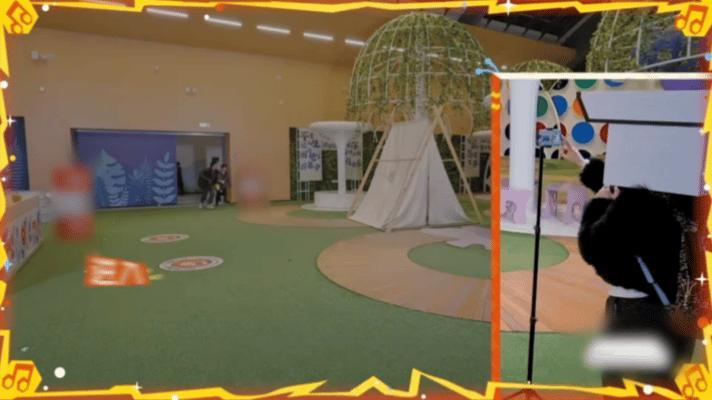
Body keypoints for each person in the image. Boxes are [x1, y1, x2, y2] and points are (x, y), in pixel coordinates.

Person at [563, 139, 701, 389]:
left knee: (623, 384)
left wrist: (598, 204)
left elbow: (593, 247)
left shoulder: (635, 201)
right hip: (681, 308)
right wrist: (580, 162)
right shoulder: (687, 190)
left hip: (636, 311)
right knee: (666, 384)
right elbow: (617, 185)